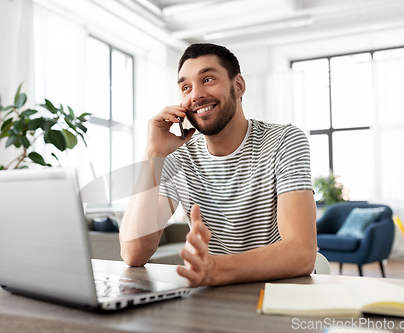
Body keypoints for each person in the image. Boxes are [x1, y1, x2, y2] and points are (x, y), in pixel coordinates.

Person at [119, 43, 317, 287]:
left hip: (279, 292)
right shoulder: (179, 157)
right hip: (214, 296)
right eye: (186, 87)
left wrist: (214, 269)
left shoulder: (284, 141)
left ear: (238, 86)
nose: (195, 95)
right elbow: (133, 253)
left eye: (208, 79)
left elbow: (301, 253)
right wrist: (153, 154)